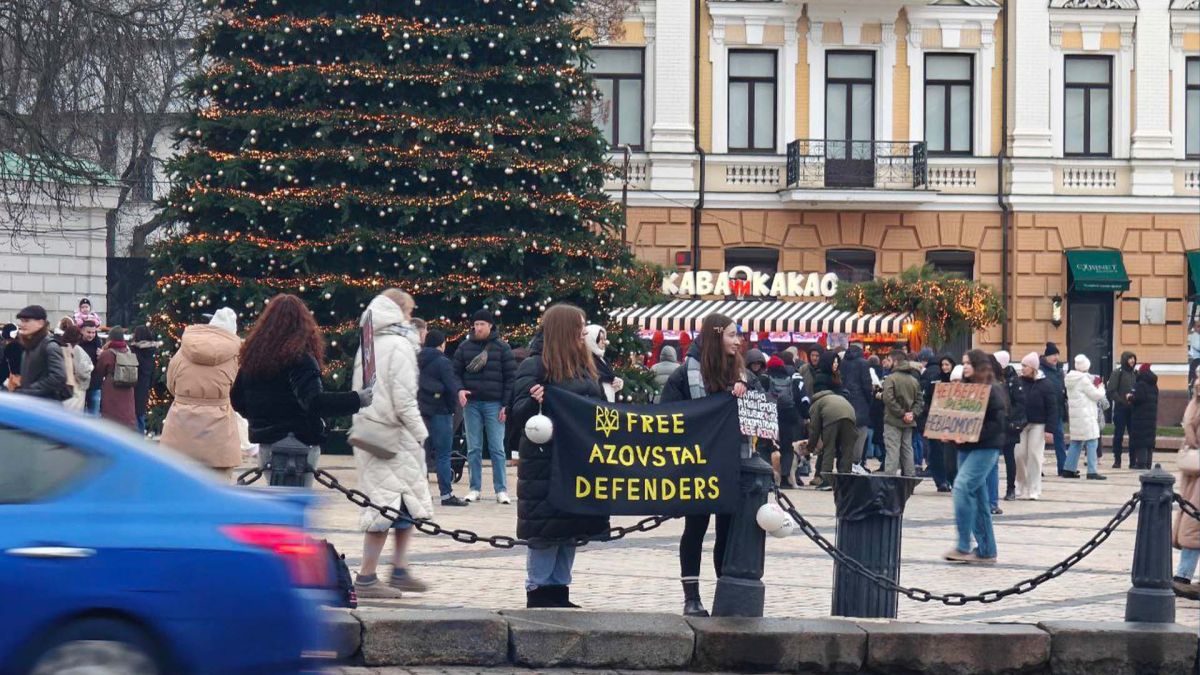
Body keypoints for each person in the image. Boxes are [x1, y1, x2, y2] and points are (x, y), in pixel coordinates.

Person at [510, 304, 608, 608]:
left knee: (570, 528)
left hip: (577, 459)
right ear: (565, 329)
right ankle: (539, 591)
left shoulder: (585, 366)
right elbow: (516, 416)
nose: (584, 330)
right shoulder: (536, 365)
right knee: (545, 530)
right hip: (546, 464)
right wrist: (531, 401)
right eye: (580, 325)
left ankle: (560, 590)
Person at [660, 313, 755, 617]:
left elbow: (762, 410)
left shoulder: (741, 372)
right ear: (715, 337)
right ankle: (692, 597)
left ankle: (723, 594)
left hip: (731, 463)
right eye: (731, 335)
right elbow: (666, 417)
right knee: (696, 527)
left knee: (726, 531)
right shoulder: (683, 375)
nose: (737, 341)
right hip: (696, 465)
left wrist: (746, 390)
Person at [231, 294, 370, 486]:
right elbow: (314, 402)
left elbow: (237, 399)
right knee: (294, 507)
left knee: (277, 506)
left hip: (267, 445)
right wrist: (356, 400)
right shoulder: (300, 359)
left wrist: (264, 418)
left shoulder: (254, 358)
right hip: (298, 445)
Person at [350, 290, 434, 598]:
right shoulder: (399, 344)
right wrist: (423, 434)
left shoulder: (369, 343)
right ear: (401, 312)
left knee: (402, 502)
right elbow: (404, 399)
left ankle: (399, 569)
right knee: (384, 506)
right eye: (410, 312)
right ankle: (367, 577)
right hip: (395, 435)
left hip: (372, 432)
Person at [160, 309, 243, 477]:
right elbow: (240, 391)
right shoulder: (236, 356)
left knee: (179, 487)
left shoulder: (184, 350)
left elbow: (171, 383)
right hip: (219, 431)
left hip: (181, 428)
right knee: (217, 490)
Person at [944, 350, 1007, 564]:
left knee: (962, 487)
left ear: (979, 365)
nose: (965, 367)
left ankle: (963, 545)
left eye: (969, 363)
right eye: (964, 363)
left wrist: (971, 434)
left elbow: (997, 424)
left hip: (985, 448)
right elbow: (956, 418)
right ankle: (987, 550)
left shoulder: (992, 390)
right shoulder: (963, 390)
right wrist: (950, 434)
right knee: (979, 500)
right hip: (965, 449)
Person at [453, 309, 517, 504]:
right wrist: (460, 389)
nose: (478, 327)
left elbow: (511, 378)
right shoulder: (464, 347)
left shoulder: (502, 348)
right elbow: (454, 372)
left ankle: (501, 489)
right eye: (476, 324)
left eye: (482, 324)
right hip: (472, 404)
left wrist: (506, 405)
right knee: (473, 448)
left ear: (490, 326)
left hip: (494, 404)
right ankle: (475, 488)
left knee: (497, 448)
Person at [418, 329, 469, 507]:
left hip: (421, 411)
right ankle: (446, 494)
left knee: (421, 453)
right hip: (441, 412)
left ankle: (420, 493)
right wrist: (452, 407)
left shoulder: (416, 360)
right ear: (442, 344)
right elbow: (451, 386)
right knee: (443, 455)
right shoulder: (443, 362)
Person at [808, 352, 858, 487]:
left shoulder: (817, 402)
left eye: (837, 362)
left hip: (831, 416)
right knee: (846, 448)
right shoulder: (824, 378)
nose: (835, 364)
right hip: (849, 413)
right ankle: (844, 478)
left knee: (829, 447)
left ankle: (826, 479)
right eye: (833, 362)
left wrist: (810, 447)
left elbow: (814, 428)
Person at [1172, 368, 1200, 599]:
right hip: (1195, 473)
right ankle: (1182, 575)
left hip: (1196, 472)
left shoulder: (1195, 403)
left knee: (1193, 523)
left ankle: (1183, 574)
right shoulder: (1195, 403)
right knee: (1193, 523)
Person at [1015, 353, 1056, 500]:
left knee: (1034, 455)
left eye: (1025, 366)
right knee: (1019, 455)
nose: (1022, 368)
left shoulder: (1046, 384)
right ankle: (1020, 485)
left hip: (1038, 424)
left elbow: (1052, 408)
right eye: (1022, 366)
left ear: (1033, 368)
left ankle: (1034, 488)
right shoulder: (1018, 382)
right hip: (1020, 424)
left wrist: (1050, 429)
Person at [1062, 354, 1107, 480]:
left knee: (1076, 442)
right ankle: (1092, 471)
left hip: (1076, 416)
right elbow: (1096, 395)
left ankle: (1068, 469)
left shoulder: (1070, 378)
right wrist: (1101, 387)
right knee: (1092, 442)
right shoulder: (1083, 380)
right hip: (1086, 415)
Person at [882, 350, 924, 477]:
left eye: (889, 360)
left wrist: (901, 413)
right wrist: (912, 414)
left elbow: (888, 399)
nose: (887, 363)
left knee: (892, 449)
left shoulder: (891, 378)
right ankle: (909, 478)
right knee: (907, 449)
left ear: (895, 362)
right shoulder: (913, 379)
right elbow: (920, 400)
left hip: (893, 419)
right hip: (909, 420)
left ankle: (889, 478)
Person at [13, 306, 67, 401]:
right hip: (32, 404)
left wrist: (29, 391)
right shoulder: (29, 347)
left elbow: (58, 377)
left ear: (40, 323)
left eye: (26, 320)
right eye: (21, 321)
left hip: (46, 407)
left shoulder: (50, 346)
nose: (22, 324)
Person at [89, 327, 138, 428]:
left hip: (112, 388)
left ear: (110, 338)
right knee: (126, 413)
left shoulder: (107, 354)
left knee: (111, 417)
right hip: (128, 389)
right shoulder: (128, 352)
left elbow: (99, 370)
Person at [994, 351, 1025, 504]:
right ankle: (991, 491)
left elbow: (1020, 404)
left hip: (1009, 425)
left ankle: (1010, 488)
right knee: (992, 458)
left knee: (1009, 458)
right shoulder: (992, 378)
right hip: (995, 425)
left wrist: (1011, 419)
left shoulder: (1013, 381)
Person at [765, 355, 801, 488]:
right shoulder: (788, 379)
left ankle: (771, 478)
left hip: (772, 415)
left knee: (771, 447)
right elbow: (794, 396)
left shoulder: (767, 378)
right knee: (787, 448)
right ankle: (786, 476)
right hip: (788, 415)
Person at [840, 344, 874, 470]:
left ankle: (845, 463)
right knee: (861, 434)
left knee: (847, 435)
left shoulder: (842, 363)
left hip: (845, 402)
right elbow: (867, 385)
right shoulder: (863, 363)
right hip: (860, 403)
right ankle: (856, 463)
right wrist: (869, 401)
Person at [1040, 342, 1068, 476]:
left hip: (1057, 409)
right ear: (1046, 356)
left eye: (1057, 354)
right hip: (1042, 410)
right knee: (1038, 442)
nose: (1055, 357)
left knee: (1059, 439)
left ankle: (1062, 467)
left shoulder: (1059, 370)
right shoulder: (1041, 370)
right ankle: (1037, 468)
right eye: (1052, 355)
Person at [1106, 351, 1137, 469]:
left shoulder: (1135, 373)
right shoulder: (1117, 372)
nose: (1132, 361)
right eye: (1130, 359)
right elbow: (1111, 390)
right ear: (1125, 360)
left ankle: (1133, 461)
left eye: (1133, 359)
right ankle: (1117, 460)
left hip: (1133, 409)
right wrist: (1119, 401)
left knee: (1133, 435)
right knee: (1118, 435)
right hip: (1121, 409)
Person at [1127, 363, 1159, 470]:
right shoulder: (1154, 385)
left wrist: (1130, 397)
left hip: (1140, 417)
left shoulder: (1141, 384)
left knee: (1141, 441)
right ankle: (1148, 464)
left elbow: (1138, 399)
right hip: (1151, 417)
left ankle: (1141, 464)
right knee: (1149, 442)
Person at [57, 322, 94, 412]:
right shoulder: (76, 349)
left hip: (61, 386)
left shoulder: (57, 347)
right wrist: (91, 367)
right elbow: (82, 371)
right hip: (75, 387)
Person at [131, 326, 160, 434]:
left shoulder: (133, 351)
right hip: (145, 385)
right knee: (141, 413)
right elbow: (154, 372)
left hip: (133, 384)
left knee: (133, 412)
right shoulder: (152, 352)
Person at [585, 324, 623, 403]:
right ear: (592, 340)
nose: (605, 342)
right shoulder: (587, 359)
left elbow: (609, 377)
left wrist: (617, 382)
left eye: (604, 339)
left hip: (608, 402)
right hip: (598, 403)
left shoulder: (603, 359)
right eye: (601, 339)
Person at [79, 320, 103, 415]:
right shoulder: (77, 343)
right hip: (80, 383)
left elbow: (101, 365)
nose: (91, 335)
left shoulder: (98, 343)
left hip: (94, 383)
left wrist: (101, 357)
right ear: (82, 331)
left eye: (93, 332)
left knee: (94, 414)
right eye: (89, 332)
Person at [2, 323, 22, 391]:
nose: (6, 342)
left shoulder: (10, 347)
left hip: (15, 381)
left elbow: (5, 368)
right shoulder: (24, 345)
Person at [1188, 322, 1200, 394]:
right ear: (1194, 328)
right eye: (1198, 326)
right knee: (1194, 376)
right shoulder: (1193, 336)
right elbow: (1198, 347)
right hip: (1196, 360)